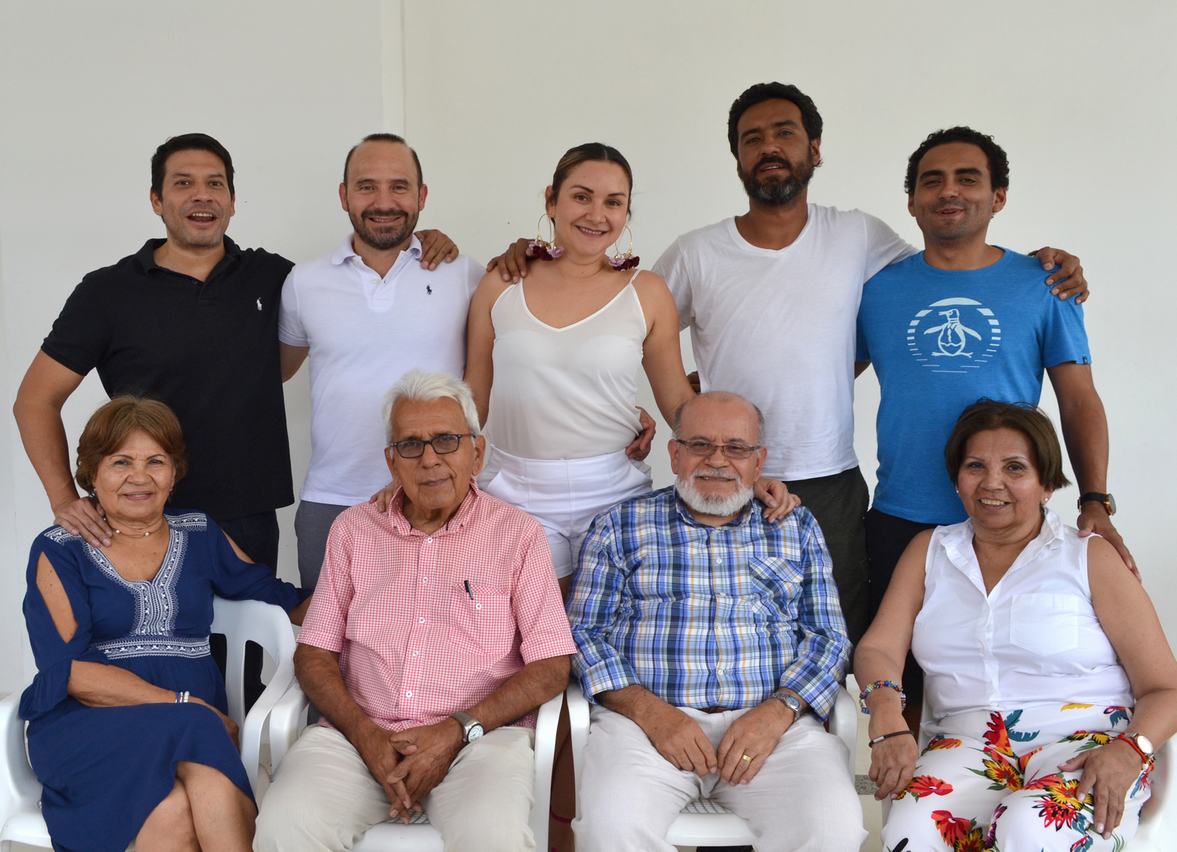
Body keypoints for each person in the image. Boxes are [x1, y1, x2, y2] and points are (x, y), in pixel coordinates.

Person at [488, 84, 1086, 644]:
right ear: (738, 158)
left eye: (785, 133)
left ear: (815, 150)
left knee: (841, 636)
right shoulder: (698, 252)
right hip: (722, 475)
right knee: (721, 632)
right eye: (753, 138)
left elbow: (946, 267)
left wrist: (1039, 265)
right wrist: (537, 255)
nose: (769, 147)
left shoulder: (859, 237)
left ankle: (821, 756)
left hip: (828, 480)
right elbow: (616, 313)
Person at [12, 131, 458, 568]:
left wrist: (418, 239)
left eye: (215, 184)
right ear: (155, 200)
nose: (201, 196)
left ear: (232, 200)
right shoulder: (107, 292)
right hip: (141, 511)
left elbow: (357, 274)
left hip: (248, 517)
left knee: (246, 641)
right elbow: (35, 400)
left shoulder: (276, 278)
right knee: (149, 643)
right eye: (183, 183)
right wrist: (64, 499)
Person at [255, 370, 576, 851]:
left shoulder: (518, 536)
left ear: (477, 452)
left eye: (446, 441)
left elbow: (551, 665)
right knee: (284, 826)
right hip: (359, 738)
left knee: (495, 836)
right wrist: (364, 734)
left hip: (479, 740)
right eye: (411, 445)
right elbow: (314, 652)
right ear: (391, 461)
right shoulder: (353, 531)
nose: (429, 459)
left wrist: (456, 731)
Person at [855, 401, 1177, 850]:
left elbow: (1166, 688)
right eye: (975, 466)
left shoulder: (1089, 556)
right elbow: (878, 649)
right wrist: (887, 718)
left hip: (1090, 744)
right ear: (956, 478)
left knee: (1030, 827)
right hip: (968, 742)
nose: (992, 483)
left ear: (1047, 483)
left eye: (1014, 467)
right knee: (914, 828)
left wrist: (1131, 751)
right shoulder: (929, 551)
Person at [857, 126, 1132, 632]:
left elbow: (1078, 400)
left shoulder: (1046, 284)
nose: (949, 191)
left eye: (967, 178)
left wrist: (1095, 498)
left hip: (1008, 515)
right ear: (913, 202)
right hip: (901, 514)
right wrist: (725, 378)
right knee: (902, 681)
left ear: (998, 196)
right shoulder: (874, 291)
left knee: (1012, 669)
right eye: (932, 181)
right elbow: (819, 374)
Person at [567, 391, 864, 852]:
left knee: (832, 826)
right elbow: (584, 633)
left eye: (737, 448)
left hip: (772, 730)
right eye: (701, 444)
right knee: (612, 826)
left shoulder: (793, 525)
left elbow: (828, 637)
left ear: (759, 459)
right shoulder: (620, 525)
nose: (718, 461)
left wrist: (779, 710)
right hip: (646, 731)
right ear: (675, 452)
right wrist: (652, 714)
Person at [19, 396, 309, 852]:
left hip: (192, 721)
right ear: (92, 473)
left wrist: (374, 608)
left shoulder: (199, 532)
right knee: (198, 729)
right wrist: (182, 704)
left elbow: (275, 595)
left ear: (175, 473)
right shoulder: (60, 548)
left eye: (156, 461)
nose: (140, 477)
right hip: (90, 724)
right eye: (120, 462)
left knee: (172, 810)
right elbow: (70, 672)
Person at [279, 133, 483, 589]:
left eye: (400, 186)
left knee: (446, 646)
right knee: (325, 648)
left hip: (441, 494)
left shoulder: (463, 273)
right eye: (367, 186)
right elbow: (275, 371)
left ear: (422, 196)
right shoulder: (304, 283)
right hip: (334, 500)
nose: (384, 201)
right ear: (343, 195)